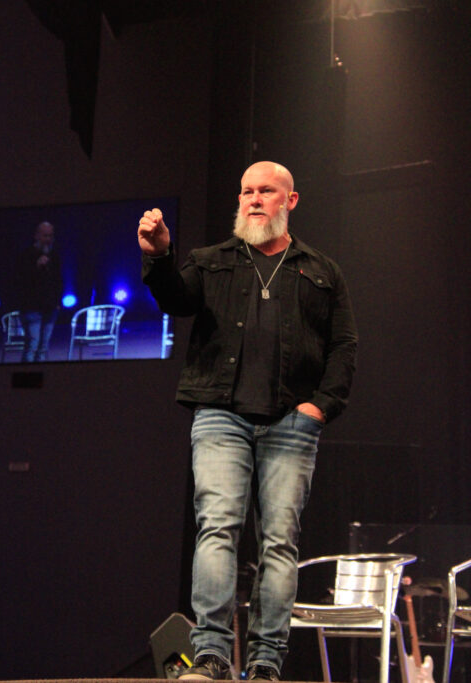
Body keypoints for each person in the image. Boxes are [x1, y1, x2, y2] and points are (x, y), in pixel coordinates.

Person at [138, 161, 358, 681]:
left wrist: (321, 406)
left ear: (290, 201)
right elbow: (175, 299)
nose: (254, 199)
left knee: (280, 542)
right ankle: (212, 654)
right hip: (221, 416)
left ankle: (265, 662)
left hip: (292, 422)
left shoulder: (321, 270)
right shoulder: (211, 260)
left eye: (266, 192)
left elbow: (344, 345)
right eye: (246, 192)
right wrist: (159, 255)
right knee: (218, 529)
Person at [16, 221, 62, 362]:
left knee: (43, 347)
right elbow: (19, 280)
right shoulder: (26, 255)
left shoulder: (54, 255)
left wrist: (58, 301)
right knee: (32, 346)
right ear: (36, 236)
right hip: (31, 308)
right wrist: (36, 266)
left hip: (50, 307)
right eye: (45, 236)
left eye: (50, 236)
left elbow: (58, 279)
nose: (48, 239)